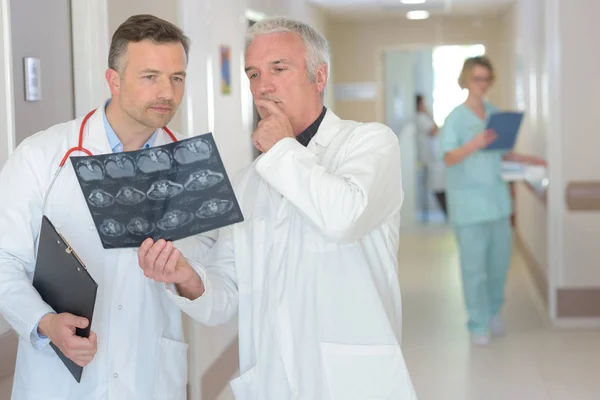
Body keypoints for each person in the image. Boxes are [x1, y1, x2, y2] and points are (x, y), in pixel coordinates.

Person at [138, 17, 417, 400]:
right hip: (273, 381)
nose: (262, 85)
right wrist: (187, 276)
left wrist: (283, 149)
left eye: (278, 69)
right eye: (253, 73)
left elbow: (343, 218)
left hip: (352, 381)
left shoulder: (370, 144)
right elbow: (227, 293)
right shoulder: (249, 181)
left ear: (319, 77)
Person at [0, 15, 215, 399]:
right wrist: (45, 322)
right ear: (113, 80)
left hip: (150, 374)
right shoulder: (42, 156)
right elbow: (3, 261)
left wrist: (185, 275)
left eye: (177, 77)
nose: (167, 91)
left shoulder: (193, 165)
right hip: (59, 380)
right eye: (150, 76)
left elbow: (213, 273)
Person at [441, 56, 546, 346]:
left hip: (498, 204)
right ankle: (477, 322)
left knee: (499, 266)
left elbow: (502, 152)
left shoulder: (494, 113)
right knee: (473, 269)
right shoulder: (456, 118)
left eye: (486, 78)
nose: (482, 84)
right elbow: (449, 157)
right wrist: (475, 144)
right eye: (477, 78)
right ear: (466, 80)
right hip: (469, 207)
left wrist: (529, 158)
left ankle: (493, 312)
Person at [415, 94, 447, 219]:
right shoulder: (421, 117)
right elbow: (434, 130)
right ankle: (448, 214)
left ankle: (448, 214)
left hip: (432, 158)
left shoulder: (420, 117)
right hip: (431, 160)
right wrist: (428, 113)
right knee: (438, 187)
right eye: (423, 103)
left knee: (439, 186)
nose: (425, 105)